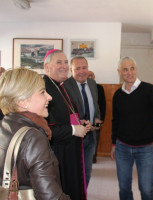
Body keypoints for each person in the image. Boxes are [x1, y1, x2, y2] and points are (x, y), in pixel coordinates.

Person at [0, 68, 70, 199]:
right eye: (42, 92)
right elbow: (50, 196)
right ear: (23, 101)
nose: (49, 97)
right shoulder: (33, 137)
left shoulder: (5, 124)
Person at [111, 56, 153, 200]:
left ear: (136, 69)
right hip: (122, 148)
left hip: (144, 149)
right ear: (119, 72)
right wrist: (114, 143)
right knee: (124, 188)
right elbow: (115, 121)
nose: (129, 72)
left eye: (132, 68)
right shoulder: (117, 95)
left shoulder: (148, 90)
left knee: (146, 189)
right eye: (125, 69)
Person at [43, 50, 91, 200]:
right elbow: (45, 129)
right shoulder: (44, 89)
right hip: (58, 153)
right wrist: (73, 129)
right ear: (47, 67)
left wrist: (80, 122)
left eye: (65, 62)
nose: (64, 66)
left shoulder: (60, 85)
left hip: (70, 148)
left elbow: (65, 115)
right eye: (59, 62)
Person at [64, 57, 101, 187]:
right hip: (74, 138)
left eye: (84, 67)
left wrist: (96, 125)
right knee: (73, 172)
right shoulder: (65, 86)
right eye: (77, 68)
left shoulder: (92, 83)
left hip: (90, 137)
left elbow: (96, 109)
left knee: (87, 171)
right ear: (71, 70)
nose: (81, 71)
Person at [86, 70, 106, 163]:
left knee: (96, 137)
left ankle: (94, 156)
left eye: (92, 75)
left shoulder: (99, 88)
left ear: (94, 77)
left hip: (97, 120)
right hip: (86, 120)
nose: (90, 77)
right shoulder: (83, 87)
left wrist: (101, 120)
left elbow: (103, 105)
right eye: (88, 75)